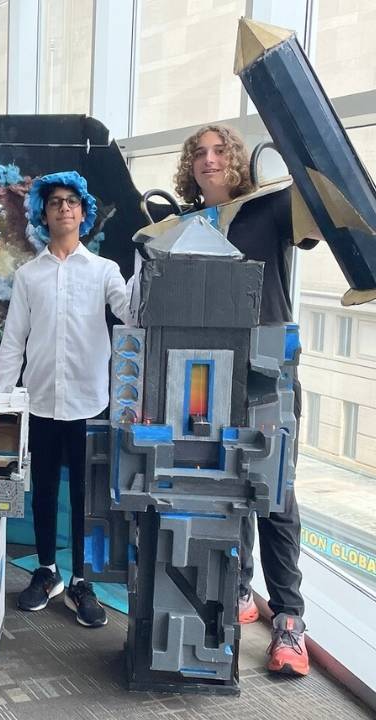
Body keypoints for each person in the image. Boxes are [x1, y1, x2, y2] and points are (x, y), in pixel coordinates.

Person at [173, 123, 313, 676]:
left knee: (276, 490)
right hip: (206, 373)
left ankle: (291, 619)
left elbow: (315, 225)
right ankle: (243, 588)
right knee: (227, 483)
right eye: (199, 153)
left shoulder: (272, 208)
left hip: (268, 365)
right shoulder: (184, 226)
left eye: (220, 150)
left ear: (237, 160)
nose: (209, 160)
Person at [0, 171, 130, 628]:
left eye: (72, 201)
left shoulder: (106, 271)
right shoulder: (28, 275)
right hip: (40, 401)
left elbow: (129, 310)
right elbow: (14, 340)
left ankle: (81, 582)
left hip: (90, 402)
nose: (64, 209)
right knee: (45, 489)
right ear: (43, 214)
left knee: (86, 498)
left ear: (84, 212)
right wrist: (3, 399)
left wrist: (153, 270)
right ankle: (47, 571)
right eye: (55, 203)